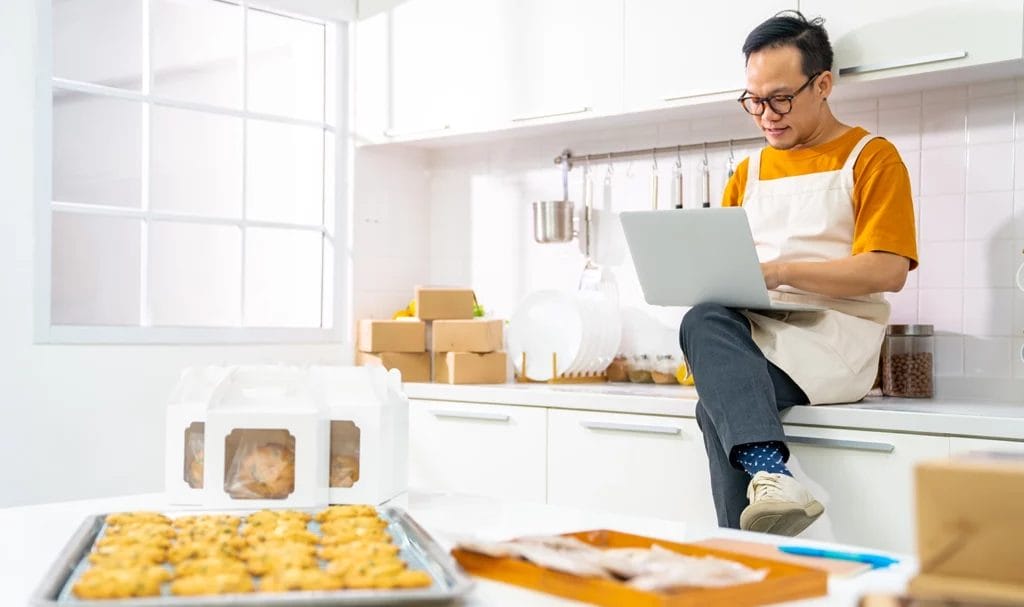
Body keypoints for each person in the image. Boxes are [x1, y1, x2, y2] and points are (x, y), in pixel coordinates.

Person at [679, 10, 918, 536]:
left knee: (714, 409)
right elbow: (726, 273)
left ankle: (743, 550)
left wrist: (782, 271)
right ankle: (772, 485)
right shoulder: (749, 172)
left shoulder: (871, 158)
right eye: (754, 101)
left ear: (824, 84)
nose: (766, 115)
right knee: (702, 317)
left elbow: (888, 269)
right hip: (760, 333)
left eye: (780, 99)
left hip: (833, 337)